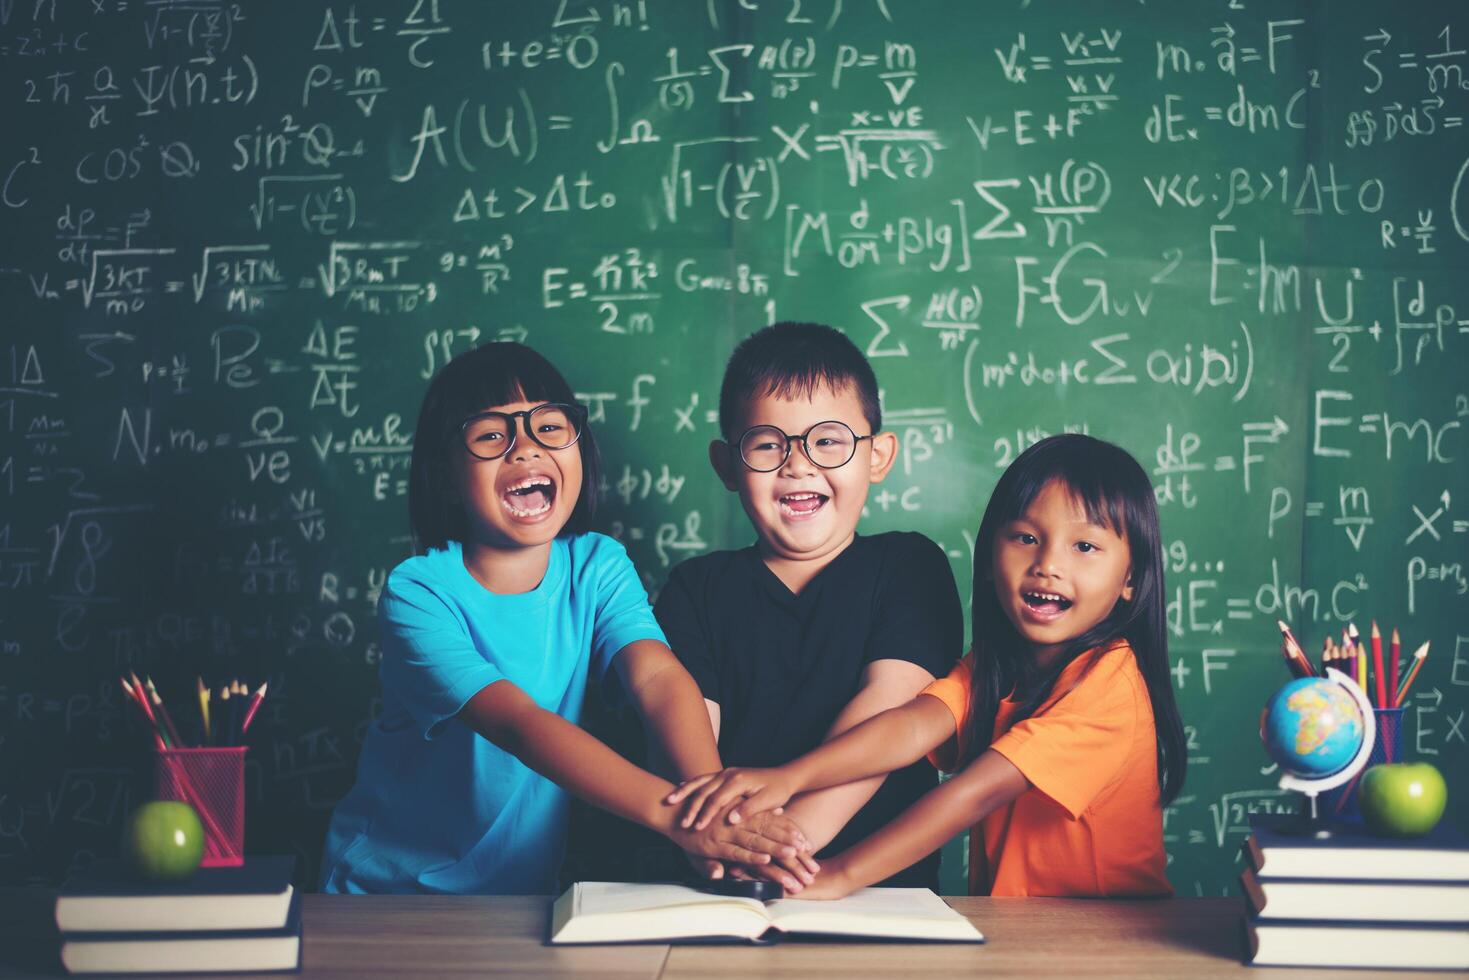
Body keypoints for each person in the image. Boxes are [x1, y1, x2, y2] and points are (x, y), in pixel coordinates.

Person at [320, 342, 815, 894]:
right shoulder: (419, 593)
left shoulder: (598, 567)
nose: (525, 450)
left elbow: (657, 677)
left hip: (524, 894)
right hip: (387, 890)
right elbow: (518, 724)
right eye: (490, 435)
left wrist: (710, 804)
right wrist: (677, 820)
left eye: (549, 428)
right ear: (444, 477)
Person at [669, 433, 1188, 898]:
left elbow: (973, 792)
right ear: (988, 558)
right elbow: (911, 726)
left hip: (1109, 940)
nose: (1048, 564)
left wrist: (840, 874)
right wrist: (787, 778)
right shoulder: (997, 665)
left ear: (1132, 581)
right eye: (1026, 537)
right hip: (1016, 931)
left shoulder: (1111, 681)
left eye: (1085, 546)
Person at [642, 322, 963, 892]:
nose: (798, 463)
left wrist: (786, 843)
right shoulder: (696, 588)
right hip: (720, 884)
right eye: (767, 443)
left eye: (829, 439)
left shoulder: (909, 566)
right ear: (726, 466)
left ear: (879, 456)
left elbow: (889, 713)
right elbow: (689, 730)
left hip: (879, 893)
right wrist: (719, 836)